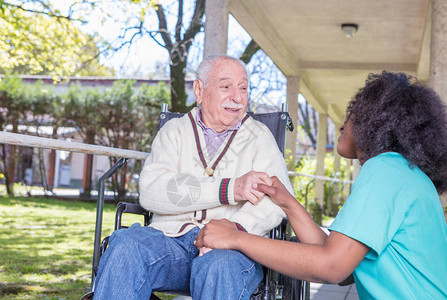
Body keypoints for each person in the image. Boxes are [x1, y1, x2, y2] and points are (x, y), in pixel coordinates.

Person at [195, 71, 447, 299]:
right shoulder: (404, 174)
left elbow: (332, 267)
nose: (341, 124)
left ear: (373, 122)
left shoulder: (385, 169)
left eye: (350, 115)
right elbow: (346, 267)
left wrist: (236, 238)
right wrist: (289, 205)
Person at [89, 55, 293, 299]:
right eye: (226, 86)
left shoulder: (260, 137)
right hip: (169, 242)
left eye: (243, 88)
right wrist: (230, 189)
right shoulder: (174, 131)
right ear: (199, 89)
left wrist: (235, 231)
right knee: (126, 245)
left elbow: (277, 200)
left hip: (232, 251)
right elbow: (152, 190)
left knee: (218, 266)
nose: (237, 97)